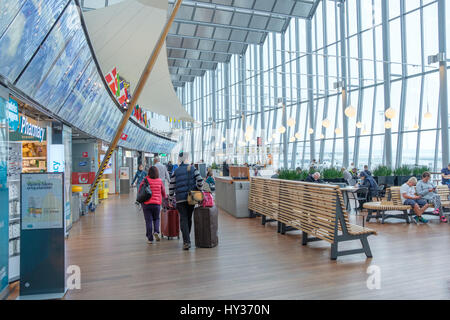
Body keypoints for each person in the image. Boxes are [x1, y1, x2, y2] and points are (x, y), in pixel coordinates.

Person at [169, 152, 204, 250]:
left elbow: (171, 185)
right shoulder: (192, 168)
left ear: (179, 160)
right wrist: (198, 189)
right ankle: (186, 238)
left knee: (183, 219)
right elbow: (200, 180)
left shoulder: (176, 171)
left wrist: (171, 198)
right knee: (188, 218)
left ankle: (186, 241)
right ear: (187, 159)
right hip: (191, 198)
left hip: (180, 199)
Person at [139, 166, 166, 244]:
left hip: (147, 204)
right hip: (157, 204)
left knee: (148, 221)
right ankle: (156, 231)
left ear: (149, 172)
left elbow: (140, 190)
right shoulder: (160, 181)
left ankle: (150, 239)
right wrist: (164, 199)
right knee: (156, 219)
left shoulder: (145, 180)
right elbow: (163, 192)